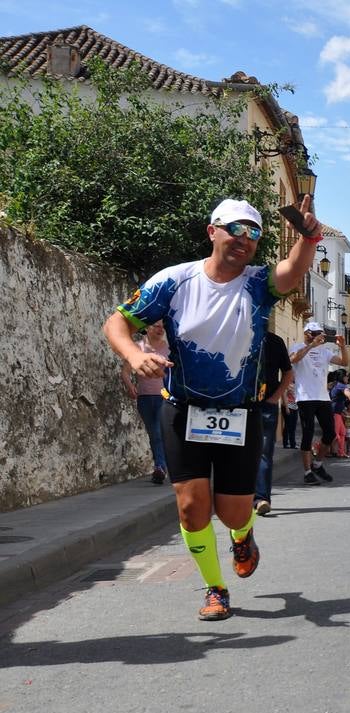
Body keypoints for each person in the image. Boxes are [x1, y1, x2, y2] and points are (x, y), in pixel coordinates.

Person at [102, 195, 322, 621]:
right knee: (191, 507)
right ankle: (215, 588)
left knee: (233, 511)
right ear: (212, 232)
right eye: (235, 229)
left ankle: (242, 535)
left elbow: (292, 271)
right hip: (183, 409)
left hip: (239, 413)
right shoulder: (175, 280)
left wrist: (309, 238)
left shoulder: (258, 284)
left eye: (253, 232)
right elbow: (118, 321)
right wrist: (133, 355)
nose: (244, 238)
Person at [290, 321, 345, 485]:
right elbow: (294, 359)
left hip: (323, 397)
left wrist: (342, 346)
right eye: (315, 334)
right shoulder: (297, 347)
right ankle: (307, 472)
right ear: (307, 334)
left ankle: (318, 464)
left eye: (320, 334)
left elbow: (344, 362)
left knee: (330, 433)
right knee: (307, 434)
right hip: (305, 397)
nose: (318, 337)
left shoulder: (325, 352)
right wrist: (311, 345)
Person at [119, 320, 170, 484]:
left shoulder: (168, 349)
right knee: (153, 433)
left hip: (164, 395)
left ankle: (160, 466)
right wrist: (130, 386)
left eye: (162, 327)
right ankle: (160, 466)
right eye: (156, 326)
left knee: (159, 432)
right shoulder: (137, 348)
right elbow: (125, 372)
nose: (160, 329)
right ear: (147, 328)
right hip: (144, 397)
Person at [252, 330, 293, 516]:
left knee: (263, 452)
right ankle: (245, 497)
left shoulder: (275, 341)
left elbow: (288, 372)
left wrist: (274, 398)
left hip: (265, 406)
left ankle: (261, 499)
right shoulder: (234, 334)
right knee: (241, 453)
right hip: (239, 406)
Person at [329, 370, 350, 459]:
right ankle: (320, 448)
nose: (348, 378)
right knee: (336, 434)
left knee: (342, 432)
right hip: (334, 412)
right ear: (342, 377)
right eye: (346, 376)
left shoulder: (336, 385)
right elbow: (349, 396)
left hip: (338, 412)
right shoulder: (341, 386)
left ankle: (341, 452)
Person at [281, 383, 299, 449]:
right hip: (288, 406)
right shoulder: (286, 383)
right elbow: (284, 395)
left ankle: (293, 444)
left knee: (293, 426)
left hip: (295, 407)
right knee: (288, 426)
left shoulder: (296, 384)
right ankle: (285, 443)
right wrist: (286, 408)